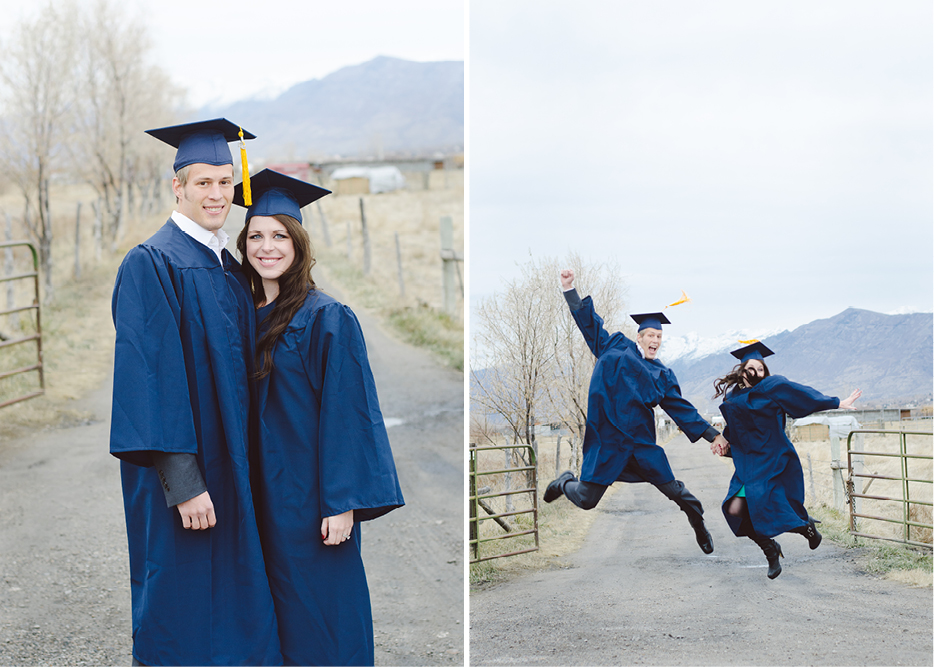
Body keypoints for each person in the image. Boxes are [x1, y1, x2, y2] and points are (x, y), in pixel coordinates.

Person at [110, 119, 280, 666]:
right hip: (182, 473)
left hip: (230, 465)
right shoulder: (151, 262)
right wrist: (183, 481)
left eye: (225, 183)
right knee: (180, 594)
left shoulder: (229, 266)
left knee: (234, 585)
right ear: (177, 186)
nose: (216, 194)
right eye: (203, 182)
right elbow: (147, 379)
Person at [233, 169, 405, 666]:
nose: (267, 247)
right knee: (269, 617)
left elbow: (350, 416)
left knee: (322, 617)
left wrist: (342, 503)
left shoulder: (327, 318)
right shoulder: (239, 313)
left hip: (309, 501)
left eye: (280, 236)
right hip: (256, 496)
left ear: (299, 244)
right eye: (256, 236)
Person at [544, 269, 729, 554]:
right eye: (650, 335)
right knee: (586, 500)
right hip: (607, 443)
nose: (655, 340)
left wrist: (713, 436)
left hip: (641, 446)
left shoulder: (662, 374)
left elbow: (682, 410)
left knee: (679, 494)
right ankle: (564, 482)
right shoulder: (614, 346)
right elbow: (589, 324)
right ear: (639, 337)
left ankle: (698, 524)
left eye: (659, 336)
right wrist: (569, 290)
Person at [711, 341, 861, 579]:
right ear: (741, 371)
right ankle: (771, 549)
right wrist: (722, 443)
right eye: (752, 368)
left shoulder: (771, 386)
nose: (757, 373)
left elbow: (801, 395)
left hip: (773, 458)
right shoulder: (733, 398)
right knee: (734, 508)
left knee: (772, 506)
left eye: (761, 369)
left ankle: (805, 528)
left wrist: (836, 402)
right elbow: (736, 430)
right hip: (749, 464)